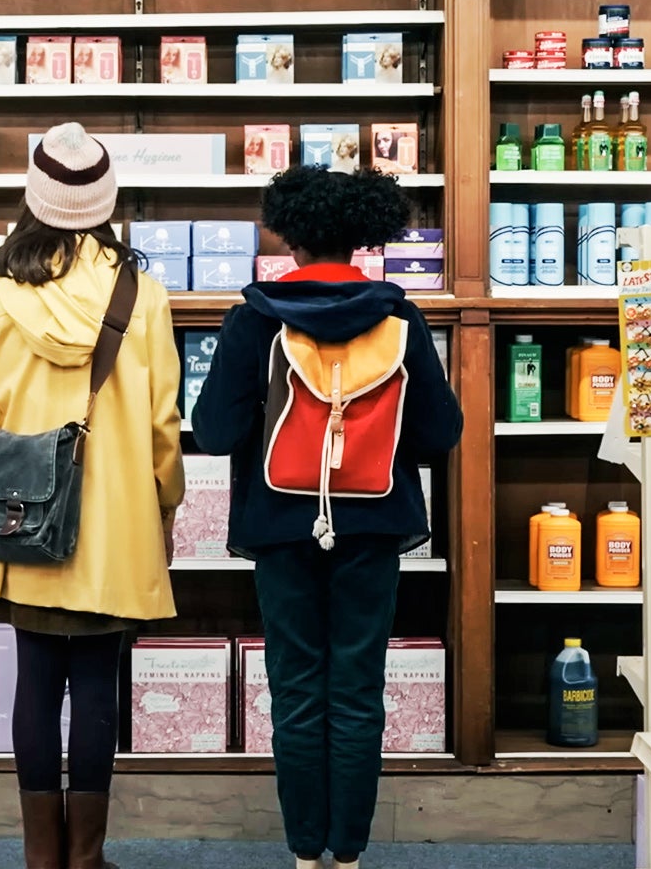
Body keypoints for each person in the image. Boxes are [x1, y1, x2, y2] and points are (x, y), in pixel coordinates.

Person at [191, 166, 462, 869]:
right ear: (364, 238)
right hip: (374, 521)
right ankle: (350, 854)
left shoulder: (253, 318)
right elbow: (439, 434)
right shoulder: (400, 318)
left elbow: (215, 431)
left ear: (291, 236)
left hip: (281, 525)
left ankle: (305, 852)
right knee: (357, 683)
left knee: (297, 685)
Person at [0, 122, 185, 869]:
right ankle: (86, 859)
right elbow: (162, 427)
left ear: (35, 197)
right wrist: (166, 508)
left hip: (21, 517)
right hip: (114, 528)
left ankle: (39, 858)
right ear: (107, 204)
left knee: (34, 683)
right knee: (95, 691)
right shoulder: (141, 294)